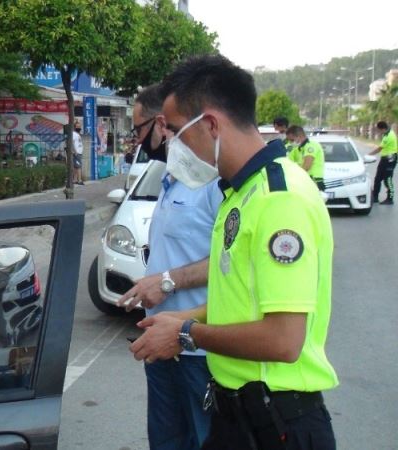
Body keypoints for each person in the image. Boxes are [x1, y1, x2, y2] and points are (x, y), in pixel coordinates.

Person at [130, 55, 338, 450]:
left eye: (176, 132)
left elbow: (283, 340)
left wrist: (186, 334)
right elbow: (241, 298)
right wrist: (182, 318)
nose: (172, 146)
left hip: (277, 419)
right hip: (238, 412)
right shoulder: (239, 194)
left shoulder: (278, 200)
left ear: (210, 124)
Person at [117, 83, 223, 450]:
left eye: (138, 130)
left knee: (205, 440)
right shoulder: (170, 178)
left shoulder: (212, 182)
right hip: (160, 344)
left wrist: (165, 282)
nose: (137, 140)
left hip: (198, 350)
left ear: (161, 125)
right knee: (166, 441)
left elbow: (232, 262)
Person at [286, 126, 326, 191]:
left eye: (292, 140)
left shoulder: (311, 146)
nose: (290, 142)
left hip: (314, 181)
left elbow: (306, 166)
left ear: (299, 136)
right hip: (306, 180)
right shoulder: (299, 148)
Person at [368, 121, 397, 205]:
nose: (378, 131)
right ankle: (375, 197)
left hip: (390, 159)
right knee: (377, 178)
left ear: (382, 129)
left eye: (378, 130)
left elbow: (379, 149)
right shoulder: (387, 133)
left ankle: (390, 199)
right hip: (385, 158)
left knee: (388, 179)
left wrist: (368, 154)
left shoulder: (389, 136)